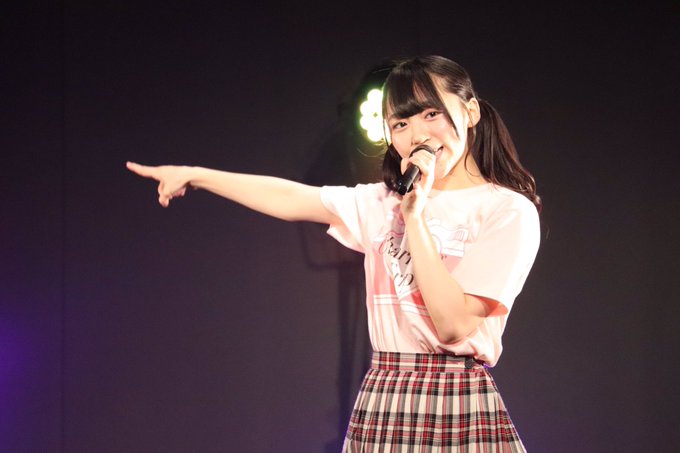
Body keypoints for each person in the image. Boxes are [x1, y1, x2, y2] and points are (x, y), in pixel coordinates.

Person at [127, 55, 541, 452]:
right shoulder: (381, 203)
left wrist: (414, 218)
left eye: (431, 114)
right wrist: (197, 176)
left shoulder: (507, 211)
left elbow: (452, 325)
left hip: (456, 396)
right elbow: (292, 198)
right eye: (400, 123)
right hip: (386, 391)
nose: (417, 135)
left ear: (470, 112)